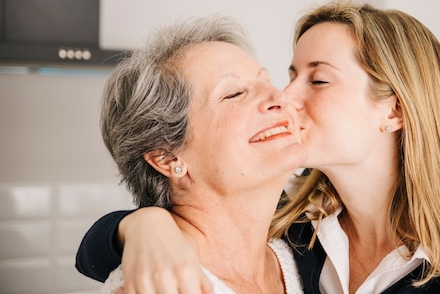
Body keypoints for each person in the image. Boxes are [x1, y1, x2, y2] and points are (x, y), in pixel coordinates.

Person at [76, 0, 440, 294]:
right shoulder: (296, 232)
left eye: (317, 79)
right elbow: (98, 250)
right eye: (291, 75)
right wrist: (144, 226)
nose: (284, 97)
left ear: (394, 112)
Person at [88, 15, 306, 294]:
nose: (281, 97)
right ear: (168, 157)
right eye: (235, 93)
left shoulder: (303, 254)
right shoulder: (152, 287)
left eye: (267, 80)